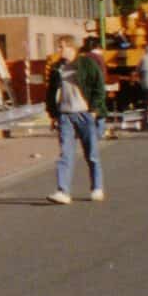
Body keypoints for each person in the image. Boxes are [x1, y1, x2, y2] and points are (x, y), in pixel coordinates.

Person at [46, 35, 105, 204]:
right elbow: (50, 92)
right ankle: (63, 191)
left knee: (91, 153)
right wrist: (53, 114)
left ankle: (97, 188)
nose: (59, 50)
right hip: (65, 115)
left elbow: (98, 87)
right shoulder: (58, 68)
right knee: (65, 154)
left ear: (72, 48)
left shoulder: (87, 64)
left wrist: (94, 110)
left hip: (84, 114)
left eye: (61, 46)